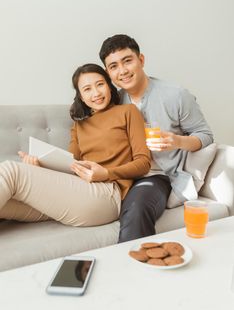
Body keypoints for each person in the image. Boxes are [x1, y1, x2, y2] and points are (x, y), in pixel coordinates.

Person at [0, 63, 151, 227]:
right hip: (79, 193)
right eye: (87, 89)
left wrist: (106, 173)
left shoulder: (128, 111)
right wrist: (37, 166)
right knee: (7, 204)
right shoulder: (80, 124)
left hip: (108, 195)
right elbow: (70, 166)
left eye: (100, 84)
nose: (96, 93)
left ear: (109, 85)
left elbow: (144, 163)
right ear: (80, 96)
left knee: (11, 170)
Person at [99, 34, 214, 242]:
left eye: (127, 61)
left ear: (141, 60)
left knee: (137, 208)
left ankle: (135, 269)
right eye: (113, 66)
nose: (122, 71)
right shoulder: (112, 101)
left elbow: (205, 135)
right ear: (108, 73)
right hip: (120, 175)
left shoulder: (175, 95)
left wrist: (178, 141)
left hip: (155, 176)